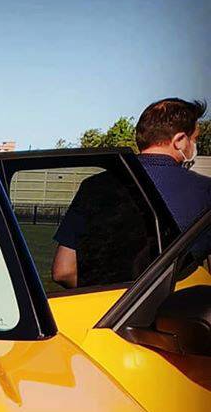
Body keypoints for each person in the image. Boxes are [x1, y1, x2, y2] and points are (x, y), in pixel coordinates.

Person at [53, 98, 210, 289]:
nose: (194, 145)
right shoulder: (204, 191)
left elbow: (64, 271)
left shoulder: (93, 186)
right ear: (179, 140)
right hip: (176, 313)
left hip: (102, 312)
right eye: (194, 139)